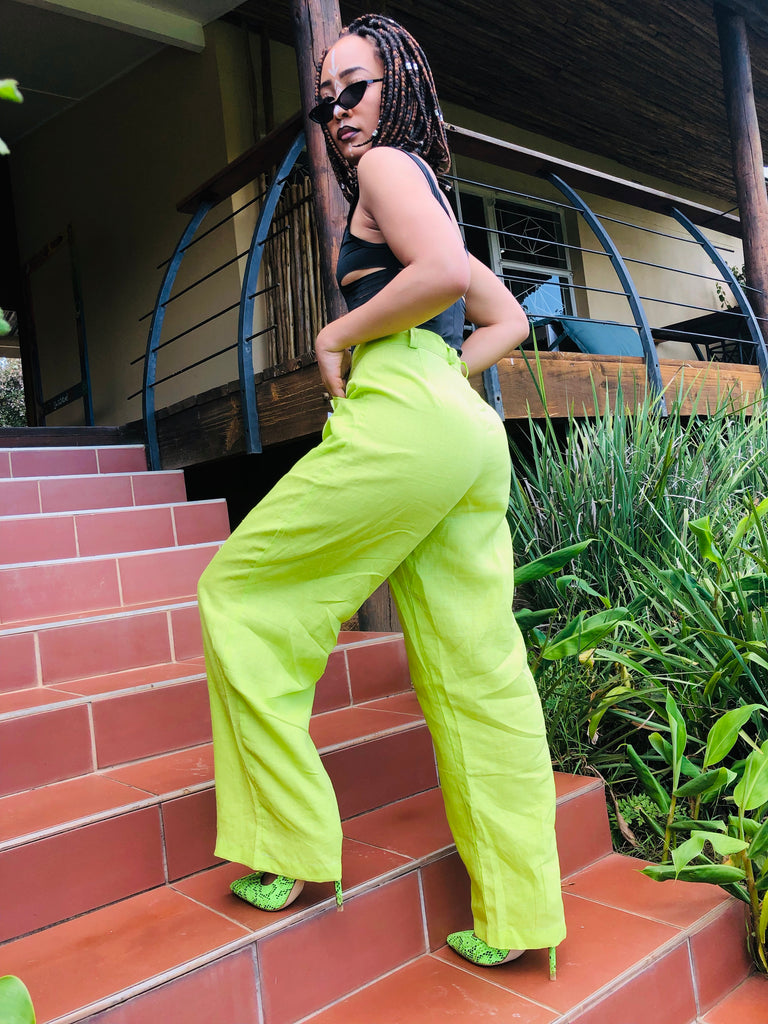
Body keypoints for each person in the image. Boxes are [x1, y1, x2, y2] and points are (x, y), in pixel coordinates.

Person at [197, 12, 566, 973]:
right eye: (326, 100)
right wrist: (438, 375)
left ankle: (289, 847)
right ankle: (518, 911)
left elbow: (440, 275)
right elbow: (506, 319)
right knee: (479, 668)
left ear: (398, 84)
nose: (338, 112)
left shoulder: (387, 169)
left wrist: (338, 335)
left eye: (353, 88)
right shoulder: (426, 188)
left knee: (241, 592)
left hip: (404, 419)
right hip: (461, 431)